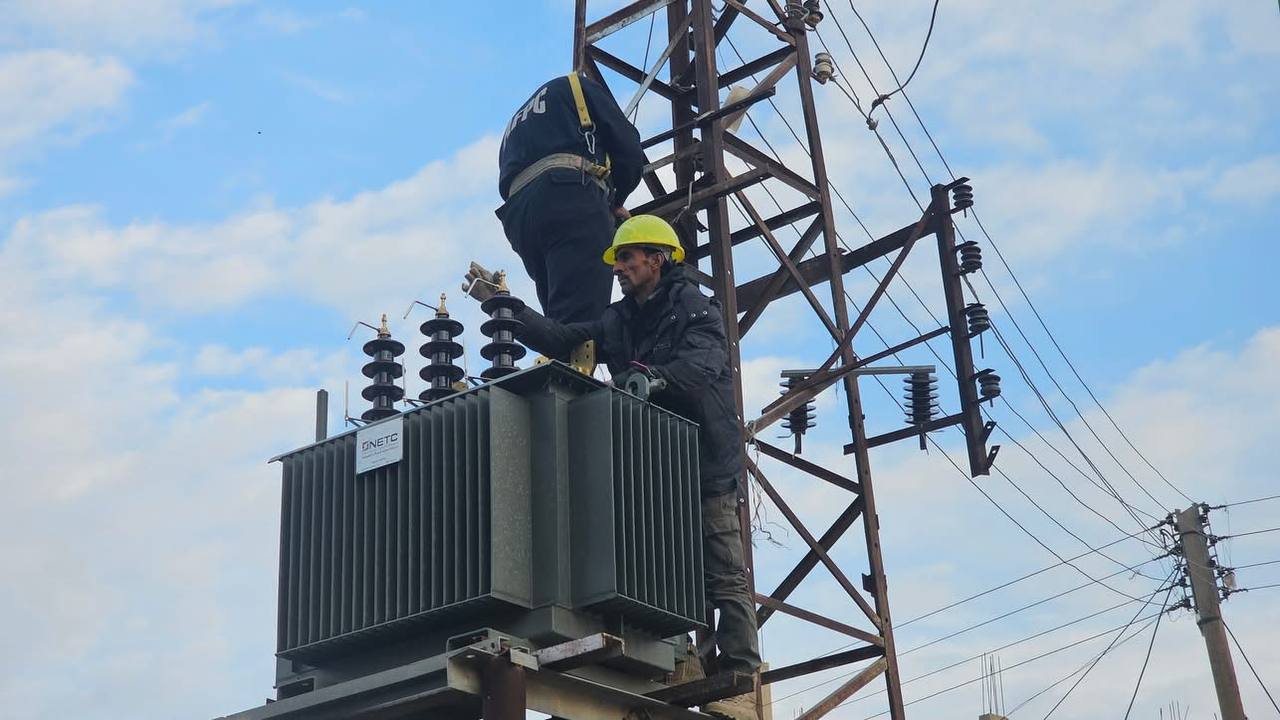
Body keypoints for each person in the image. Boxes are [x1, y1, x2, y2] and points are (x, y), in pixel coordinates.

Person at [464, 215, 762, 720]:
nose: (619, 268)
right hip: (653, 463)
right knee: (660, 566)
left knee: (722, 571)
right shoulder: (619, 319)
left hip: (705, 459)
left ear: (657, 259)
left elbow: (703, 365)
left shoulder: (694, 307)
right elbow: (562, 337)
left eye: (627, 258)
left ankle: (742, 678)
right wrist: (505, 307)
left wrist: (652, 376)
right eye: (617, 260)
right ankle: (680, 663)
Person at [495, 71, 646, 324]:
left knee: (557, 316)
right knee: (582, 321)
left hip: (519, 217)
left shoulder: (516, 123)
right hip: (569, 196)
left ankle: (555, 341)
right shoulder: (577, 86)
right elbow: (629, 149)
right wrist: (616, 201)